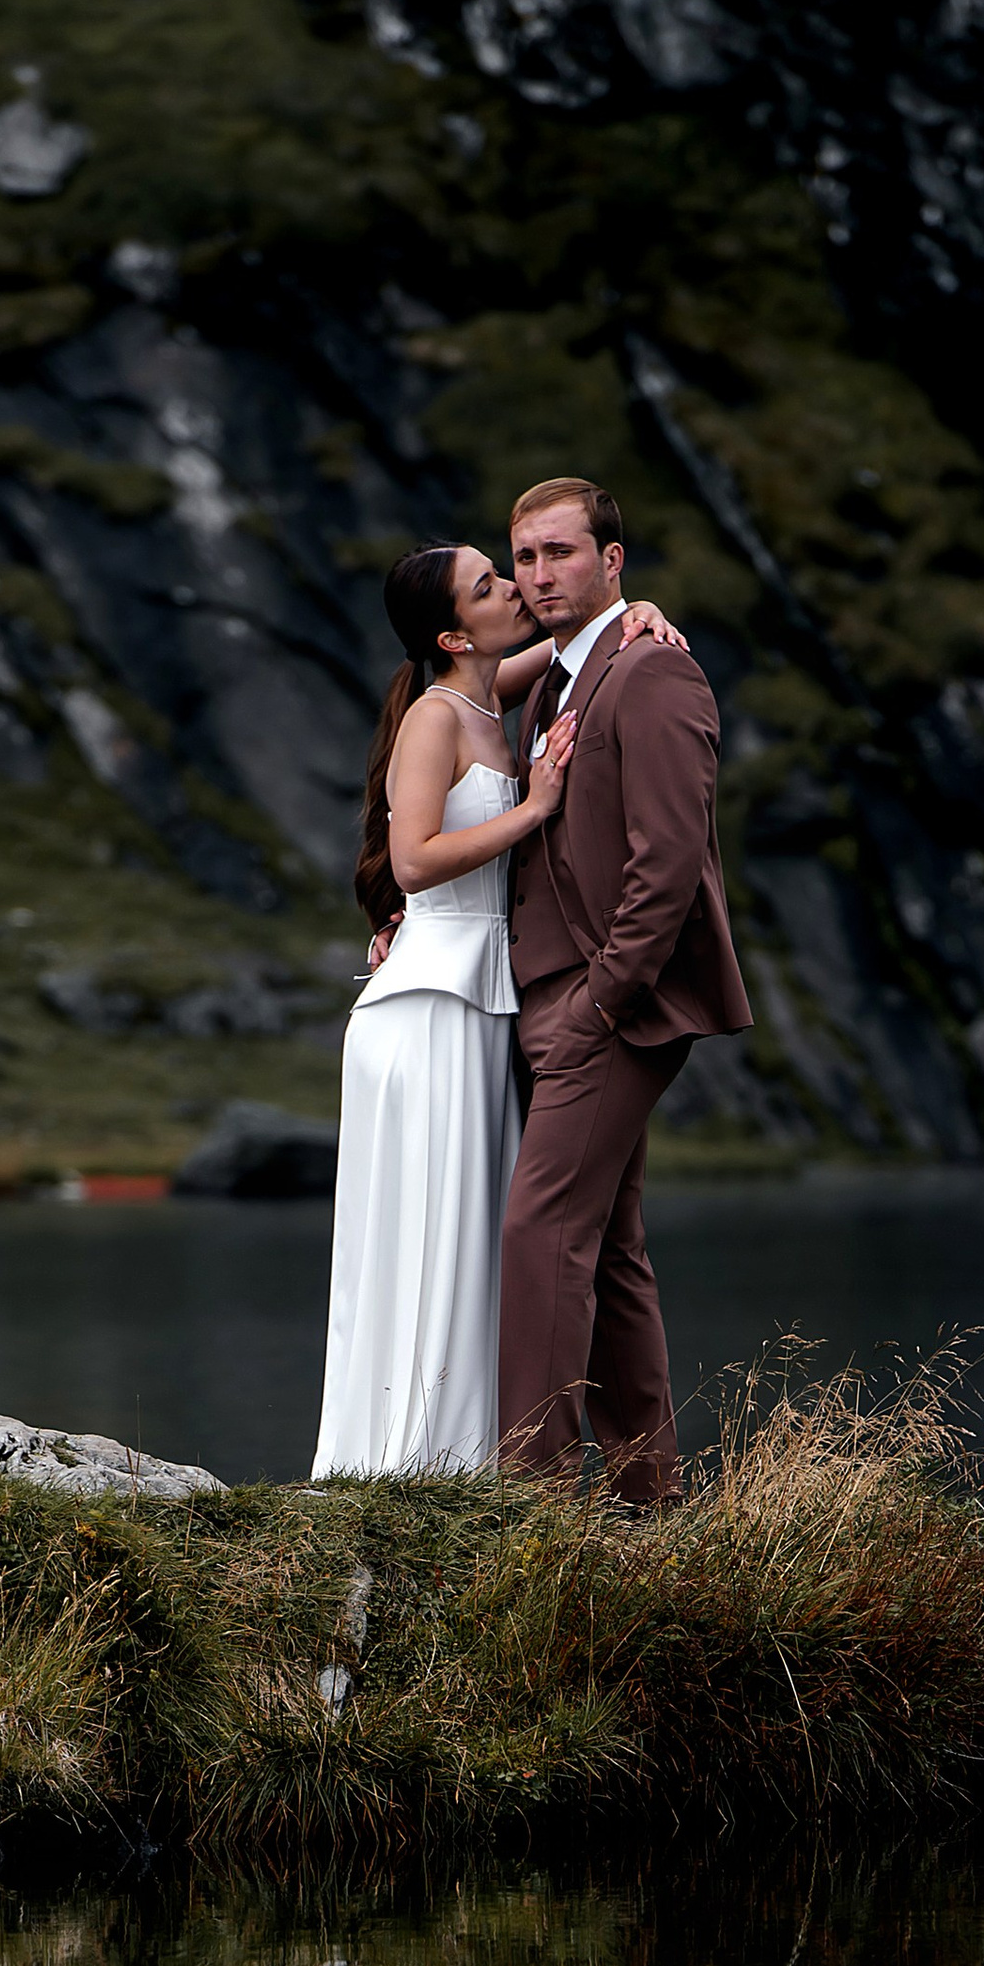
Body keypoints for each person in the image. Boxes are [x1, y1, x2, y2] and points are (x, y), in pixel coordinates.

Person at [312, 544, 687, 1483]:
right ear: (451, 633)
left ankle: (466, 1456)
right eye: (490, 586)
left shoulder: (489, 689)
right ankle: (404, 1461)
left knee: (475, 1226)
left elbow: (583, 653)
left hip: (485, 997)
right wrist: (538, 805)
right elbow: (413, 862)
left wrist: (635, 612)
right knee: (430, 1230)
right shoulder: (437, 717)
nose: (516, 588)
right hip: (431, 1003)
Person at [500, 480, 751, 1506]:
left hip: (608, 1006)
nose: (540, 572)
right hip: (550, 993)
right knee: (608, 1250)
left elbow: (671, 859)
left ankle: (535, 1492)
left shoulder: (650, 671)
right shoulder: (546, 681)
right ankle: (651, 1493)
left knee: (538, 1230)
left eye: (560, 551)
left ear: (612, 558)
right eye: (523, 557)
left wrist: (601, 1002)